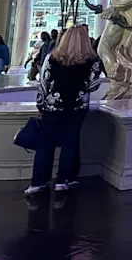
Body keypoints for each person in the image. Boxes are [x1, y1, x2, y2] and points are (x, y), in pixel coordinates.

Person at [26, 25, 101, 196]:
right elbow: (94, 86)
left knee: (45, 144)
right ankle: (63, 180)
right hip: (76, 107)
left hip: (53, 106)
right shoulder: (92, 60)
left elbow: (43, 84)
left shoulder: (52, 58)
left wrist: (41, 105)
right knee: (70, 143)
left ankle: (38, 182)